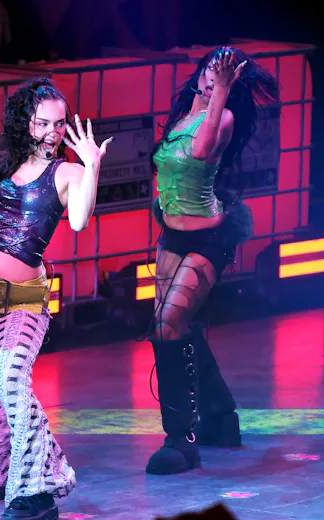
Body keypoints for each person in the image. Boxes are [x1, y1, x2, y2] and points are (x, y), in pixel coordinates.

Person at [0, 77, 110, 518]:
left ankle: (35, 488)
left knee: (12, 381)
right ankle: (1, 468)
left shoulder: (67, 172)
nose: (53, 132)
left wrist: (92, 164)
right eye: (44, 123)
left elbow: (78, 221)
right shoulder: (10, 163)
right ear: (26, 122)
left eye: (60, 124)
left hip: (24, 298)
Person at [147, 46, 279, 475]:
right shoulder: (183, 112)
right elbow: (166, 164)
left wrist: (222, 91)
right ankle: (220, 415)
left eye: (221, 74)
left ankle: (180, 441)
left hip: (209, 238)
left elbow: (202, 151)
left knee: (169, 324)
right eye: (209, 69)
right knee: (172, 328)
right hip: (171, 237)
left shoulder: (222, 118)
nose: (211, 77)